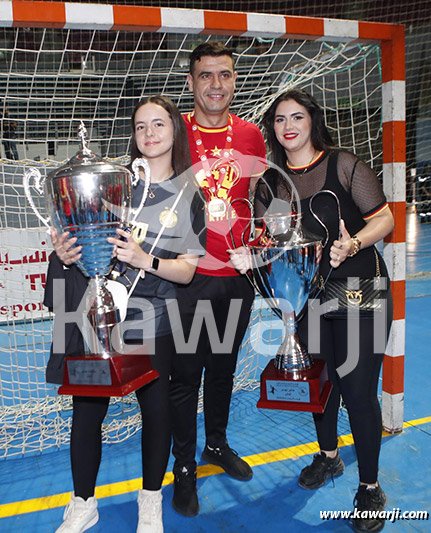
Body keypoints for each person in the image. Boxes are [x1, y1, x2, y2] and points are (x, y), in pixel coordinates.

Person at [229, 89, 394, 533]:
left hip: (360, 289)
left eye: (297, 116)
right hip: (310, 296)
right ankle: (329, 458)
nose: (288, 125)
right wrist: (252, 257)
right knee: (320, 383)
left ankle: (370, 486)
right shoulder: (270, 184)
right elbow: (271, 244)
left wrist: (355, 241)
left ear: (311, 121)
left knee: (358, 391)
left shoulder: (344, 164)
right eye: (280, 118)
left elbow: (385, 219)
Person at [44, 95, 206, 533]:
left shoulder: (190, 195)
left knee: (155, 409)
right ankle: (83, 503)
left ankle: (150, 499)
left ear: (175, 130)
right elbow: (80, 247)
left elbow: (188, 272)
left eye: (158, 125)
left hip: (154, 316)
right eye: (140, 127)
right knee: (87, 408)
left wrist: (143, 259)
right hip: (99, 315)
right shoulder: (112, 181)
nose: (149, 134)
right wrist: (63, 254)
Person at [169, 41, 266, 517]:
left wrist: (263, 241)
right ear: (190, 82)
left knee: (223, 368)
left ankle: (216, 444)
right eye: (205, 75)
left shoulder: (251, 136)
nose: (215, 84)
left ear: (233, 80)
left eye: (224, 75)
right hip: (187, 277)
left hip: (235, 277)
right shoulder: (172, 131)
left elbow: (259, 201)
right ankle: (183, 469)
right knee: (185, 376)